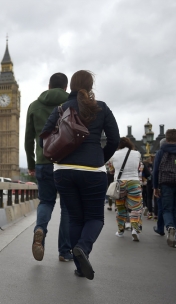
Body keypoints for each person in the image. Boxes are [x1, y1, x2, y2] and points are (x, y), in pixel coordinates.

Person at [41, 70, 120, 280]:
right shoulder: (101, 107)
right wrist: (99, 157)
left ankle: (79, 265)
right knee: (94, 217)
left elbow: (45, 136)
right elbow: (114, 139)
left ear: (71, 87)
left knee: (75, 218)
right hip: (93, 170)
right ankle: (83, 248)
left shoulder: (61, 108)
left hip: (63, 171)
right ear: (91, 85)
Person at [24, 73, 72, 262]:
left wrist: (30, 164)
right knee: (67, 207)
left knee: (46, 202)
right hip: (68, 163)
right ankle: (64, 252)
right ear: (66, 88)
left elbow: (28, 139)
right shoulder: (73, 104)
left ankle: (40, 230)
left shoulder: (34, 105)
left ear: (48, 85)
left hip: (43, 161)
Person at [107, 137, 144, 241]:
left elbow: (111, 170)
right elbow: (140, 168)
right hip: (134, 182)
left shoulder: (113, 155)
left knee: (120, 208)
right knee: (136, 207)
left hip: (120, 183)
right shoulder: (137, 154)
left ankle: (120, 231)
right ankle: (135, 229)